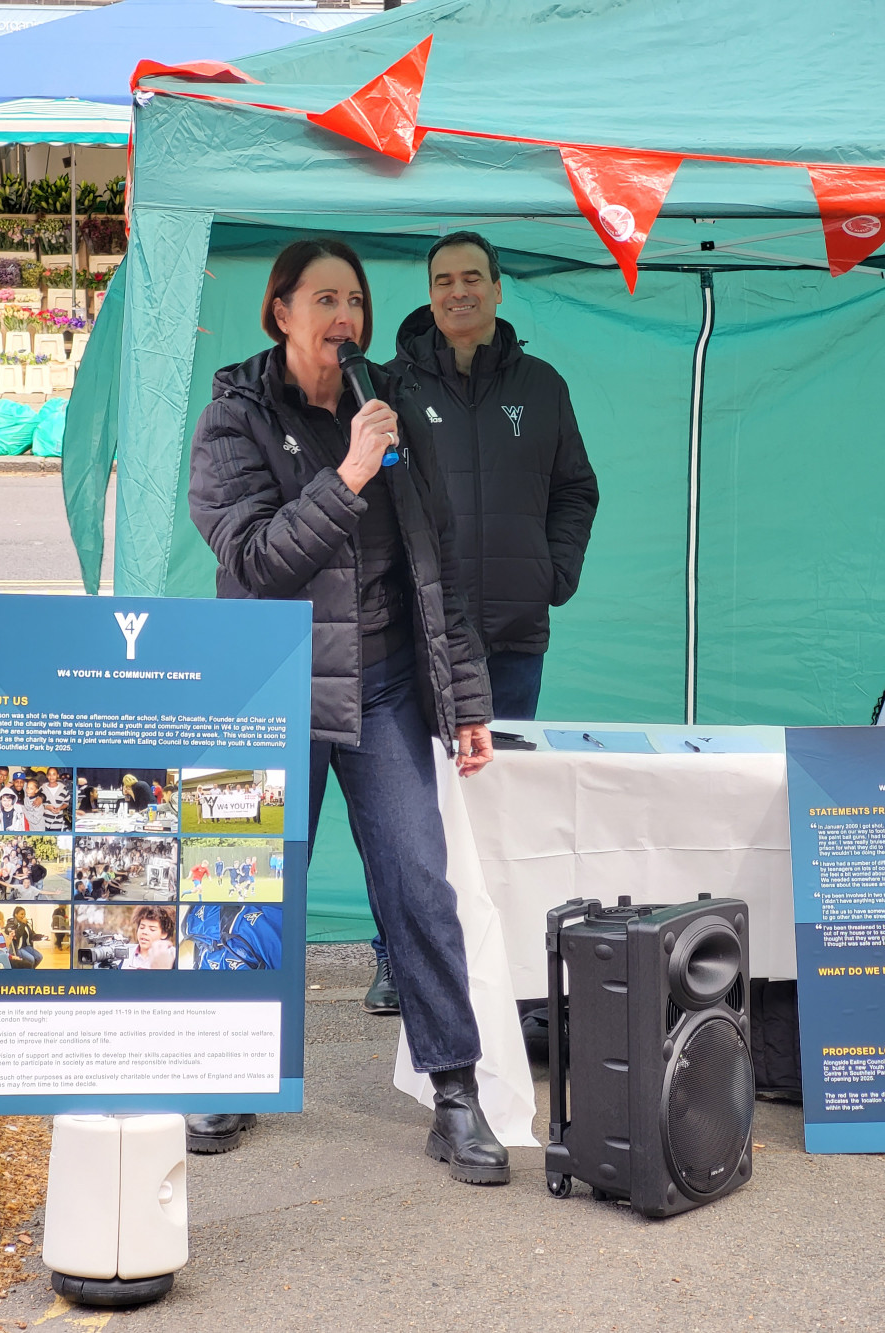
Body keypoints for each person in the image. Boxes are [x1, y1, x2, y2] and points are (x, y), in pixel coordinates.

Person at [188, 238, 506, 1184]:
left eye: (357, 301)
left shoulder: (389, 407)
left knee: (418, 881)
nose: (346, 319)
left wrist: (467, 703)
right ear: (280, 312)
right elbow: (255, 560)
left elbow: (432, 564)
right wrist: (351, 474)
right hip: (269, 683)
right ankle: (226, 1074)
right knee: (246, 884)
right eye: (325, 299)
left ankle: (455, 1094)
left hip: (387, 682)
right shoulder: (233, 417)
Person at [360, 231, 600, 1017]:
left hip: (513, 637)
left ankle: (501, 956)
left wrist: (552, 573)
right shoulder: (391, 388)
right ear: (429, 295)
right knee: (409, 815)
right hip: (421, 642)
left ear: (499, 290)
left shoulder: (544, 385)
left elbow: (577, 489)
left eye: (472, 278)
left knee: (501, 805)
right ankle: (397, 954)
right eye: (443, 281)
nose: (457, 292)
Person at [120, 905, 176, 970]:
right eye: (142, 927)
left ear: (164, 933)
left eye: (152, 929)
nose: (144, 932)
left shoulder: (172, 956)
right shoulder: (124, 951)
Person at [40, 767, 71, 831]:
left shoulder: (63, 788)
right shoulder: (42, 789)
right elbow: (37, 804)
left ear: (58, 775)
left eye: (54, 774)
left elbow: (66, 803)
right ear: (47, 776)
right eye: (49, 774)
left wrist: (60, 808)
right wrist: (46, 807)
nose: (51, 777)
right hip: (44, 822)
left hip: (58, 823)